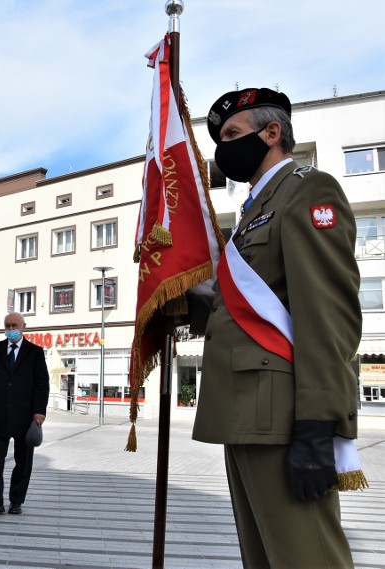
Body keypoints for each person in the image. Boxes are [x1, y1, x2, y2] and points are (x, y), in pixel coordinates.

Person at [193, 88, 361, 568]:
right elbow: (233, 308)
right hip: (245, 409)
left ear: (271, 133)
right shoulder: (251, 213)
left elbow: (328, 311)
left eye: (232, 134)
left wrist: (317, 425)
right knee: (265, 557)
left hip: (284, 415)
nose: (223, 148)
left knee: (307, 557)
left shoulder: (309, 188)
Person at [0, 312, 49, 515]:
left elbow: (41, 384)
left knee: (23, 461)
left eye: (14, 326)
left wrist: (39, 411)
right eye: (7, 326)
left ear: (23, 326)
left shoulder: (35, 352)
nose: (10, 329)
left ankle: (16, 500)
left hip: (25, 416)